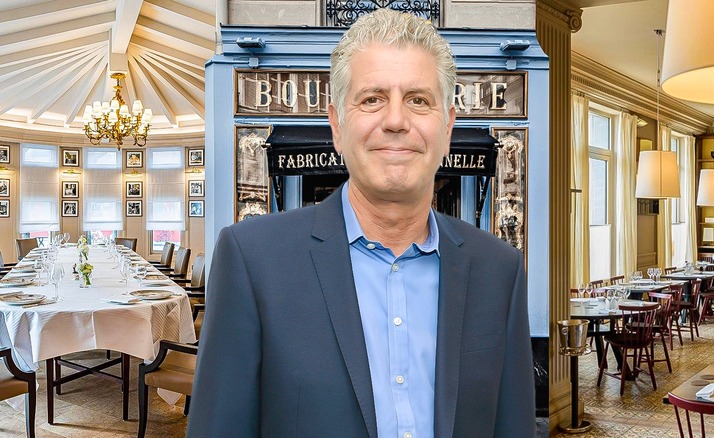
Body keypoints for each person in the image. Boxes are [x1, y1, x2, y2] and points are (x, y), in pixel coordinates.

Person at [188, 8, 535, 437]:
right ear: (337, 125)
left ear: (447, 128)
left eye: (418, 100)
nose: (395, 120)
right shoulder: (252, 260)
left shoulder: (500, 270)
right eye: (372, 99)